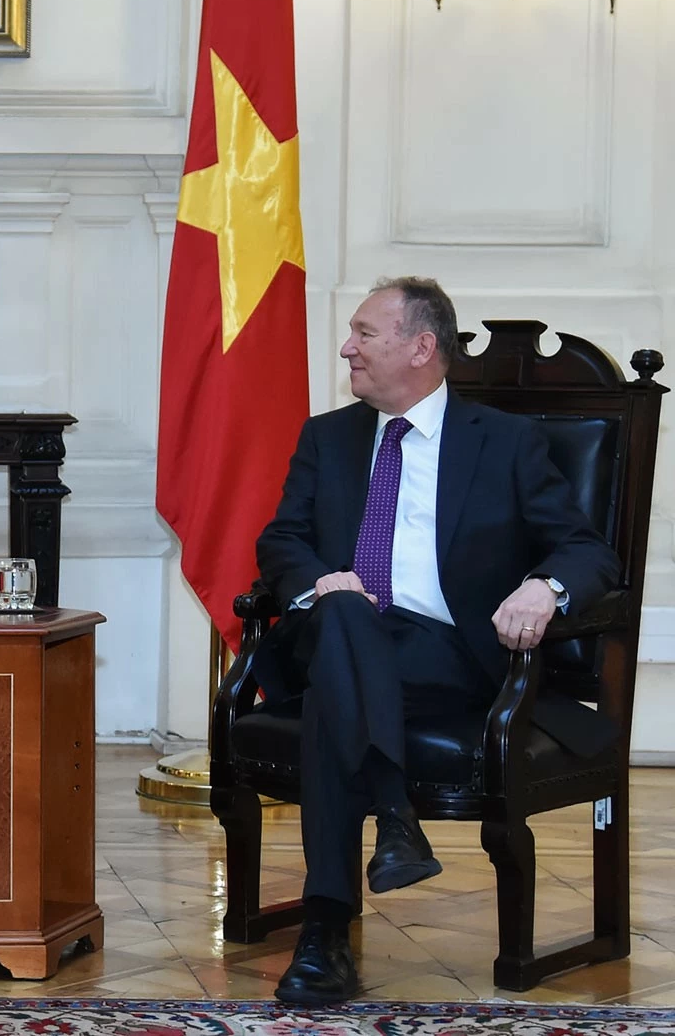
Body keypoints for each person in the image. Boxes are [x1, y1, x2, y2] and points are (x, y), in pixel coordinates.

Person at [252, 276, 619, 1006]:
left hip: (444, 655)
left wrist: (545, 587)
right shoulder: (328, 436)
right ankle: (392, 817)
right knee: (348, 623)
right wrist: (324, 582)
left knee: (336, 691)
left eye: (364, 332)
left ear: (422, 348)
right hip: (336, 625)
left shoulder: (507, 442)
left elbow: (586, 549)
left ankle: (327, 929)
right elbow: (281, 539)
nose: (346, 347)